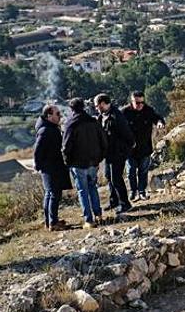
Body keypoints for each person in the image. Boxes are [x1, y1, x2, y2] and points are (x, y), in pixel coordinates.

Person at [62, 97, 106, 228]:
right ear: (84, 107)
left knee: (82, 191)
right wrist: (99, 158)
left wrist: (67, 162)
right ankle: (99, 215)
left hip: (78, 163)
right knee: (93, 187)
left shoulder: (70, 124)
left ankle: (89, 219)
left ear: (71, 109)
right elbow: (103, 141)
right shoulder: (93, 121)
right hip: (93, 161)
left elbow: (66, 147)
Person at [121, 91, 165, 202]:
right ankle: (133, 192)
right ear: (132, 101)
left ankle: (142, 192)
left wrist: (159, 122)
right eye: (137, 102)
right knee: (131, 172)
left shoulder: (148, 110)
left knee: (143, 171)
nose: (140, 104)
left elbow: (157, 118)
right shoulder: (124, 112)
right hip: (130, 150)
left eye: (142, 102)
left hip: (145, 148)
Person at [34, 104, 72, 231]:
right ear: (49, 116)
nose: (60, 116)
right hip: (50, 167)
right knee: (54, 194)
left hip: (51, 166)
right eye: (57, 114)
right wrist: (39, 165)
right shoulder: (45, 130)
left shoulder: (49, 128)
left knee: (50, 194)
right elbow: (38, 151)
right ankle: (53, 223)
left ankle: (50, 220)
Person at [95, 93, 134, 214]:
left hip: (118, 153)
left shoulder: (116, 116)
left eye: (97, 105)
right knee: (109, 177)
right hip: (109, 153)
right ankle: (114, 201)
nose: (96, 108)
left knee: (116, 178)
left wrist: (126, 149)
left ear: (103, 104)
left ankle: (125, 203)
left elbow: (127, 134)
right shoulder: (102, 116)